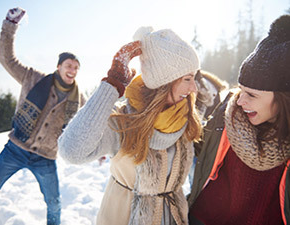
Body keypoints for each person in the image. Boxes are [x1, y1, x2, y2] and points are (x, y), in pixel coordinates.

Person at [58, 26, 202, 225]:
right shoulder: (124, 121)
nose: (194, 88)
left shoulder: (188, 119)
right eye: (187, 79)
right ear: (165, 82)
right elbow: (71, 151)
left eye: (194, 78)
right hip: (122, 217)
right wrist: (112, 84)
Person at [187, 14, 290, 225]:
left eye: (252, 95)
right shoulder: (228, 116)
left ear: (282, 100)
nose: (240, 101)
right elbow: (197, 148)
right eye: (240, 90)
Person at [0, 7, 85, 225]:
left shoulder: (79, 99)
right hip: (15, 149)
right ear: (59, 66)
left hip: (46, 158)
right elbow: (8, 60)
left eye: (77, 68)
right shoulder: (33, 78)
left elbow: (90, 121)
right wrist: (10, 26)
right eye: (69, 65)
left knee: (54, 204)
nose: (73, 70)